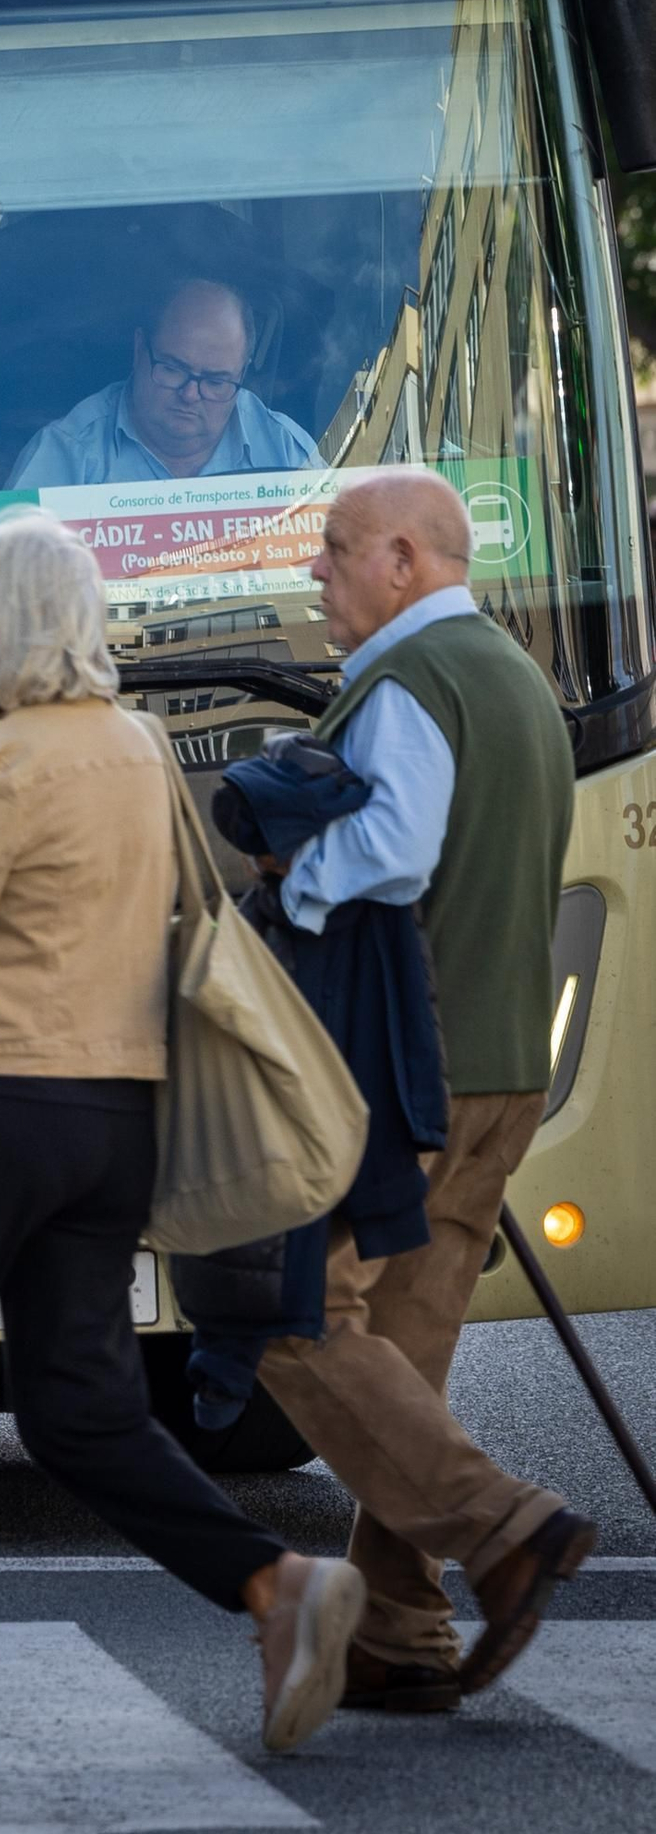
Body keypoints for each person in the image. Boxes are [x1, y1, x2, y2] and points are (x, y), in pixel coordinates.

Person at [0, 509, 366, 1767]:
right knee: (76, 1409)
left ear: (2, 623)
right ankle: (272, 1583)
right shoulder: (136, 747)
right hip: (115, 1120)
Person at [253, 466, 592, 1713]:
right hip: (500, 1066)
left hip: (408, 1070)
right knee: (404, 1349)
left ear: (402, 559)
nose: (316, 570)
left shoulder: (407, 681)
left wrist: (285, 884)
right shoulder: (511, 676)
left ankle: (501, 1526)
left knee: (284, 1310)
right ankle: (401, 1634)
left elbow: (391, 855)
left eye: (335, 547)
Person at [10, 276, 315, 487]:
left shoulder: (286, 451)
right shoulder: (66, 456)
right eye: (173, 369)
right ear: (139, 350)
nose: (190, 394)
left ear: (241, 375)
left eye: (215, 382)